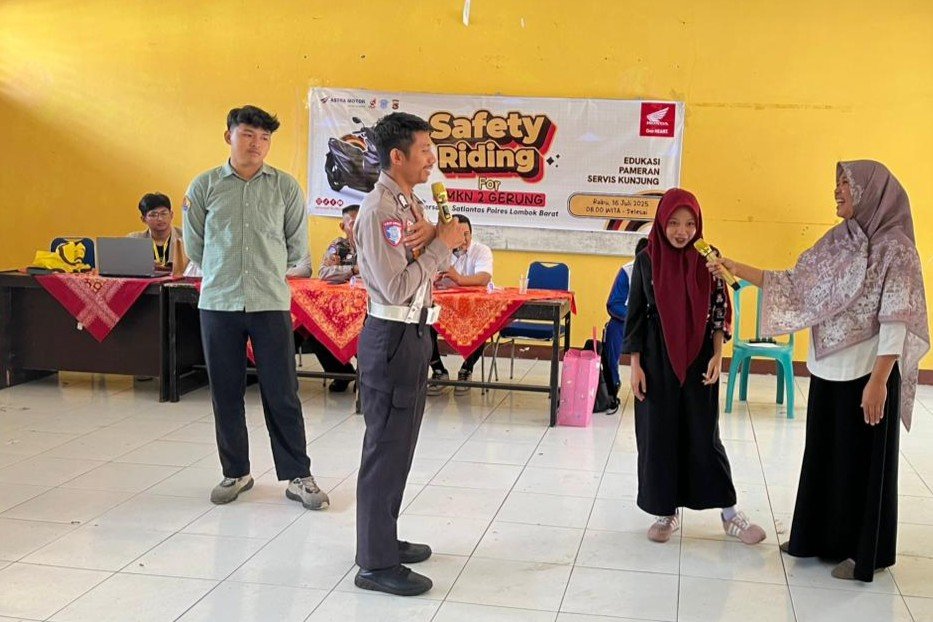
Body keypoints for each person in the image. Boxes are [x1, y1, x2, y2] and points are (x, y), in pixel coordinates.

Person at [708, 161, 929, 582]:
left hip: (869, 374)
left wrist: (880, 380)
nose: (838, 191)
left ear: (872, 190)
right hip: (828, 370)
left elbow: (897, 316)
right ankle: (816, 537)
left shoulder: (895, 247)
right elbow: (794, 283)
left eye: (846, 183)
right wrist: (735, 268)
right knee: (825, 458)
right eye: (836, 183)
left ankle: (864, 554)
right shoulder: (838, 240)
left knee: (861, 465)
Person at [183, 104, 329, 511]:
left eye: (264, 137)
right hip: (218, 303)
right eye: (247, 134)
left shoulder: (285, 187)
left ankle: (298, 474)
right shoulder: (204, 186)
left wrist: (261, 270)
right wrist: (226, 269)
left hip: (269, 303)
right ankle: (236, 471)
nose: (256, 144)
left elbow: (297, 247)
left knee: (283, 392)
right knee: (226, 392)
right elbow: (195, 246)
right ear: (228, 135)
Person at [353, 112, 465, 596]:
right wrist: (440, 248)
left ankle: (384, 539)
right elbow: (397, 287)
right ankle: (375, 564)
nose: (432, 159)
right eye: (424, 151)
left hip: (416, 336)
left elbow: (425, 262)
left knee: (401, 447)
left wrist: (447, 239)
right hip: (392, 336)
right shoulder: (380, 210)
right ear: (396, 156)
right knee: (385, 449)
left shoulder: (410, 203)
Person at [623, 188, 766, 546]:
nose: (682, 231)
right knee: (659, 434)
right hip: (657, 358)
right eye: (673, 222)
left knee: (704, 434)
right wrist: (636, 365)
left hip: (700, 355)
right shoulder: (647, 259)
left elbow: (719, 309)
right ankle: (664, 511)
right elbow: (636, 315)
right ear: (661, 222)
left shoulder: (708, 257)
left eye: (689, 223)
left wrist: (718, 355)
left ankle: (730, 513)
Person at [427, 213, 493, 396]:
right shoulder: (438, 250)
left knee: (483, 324)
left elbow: (484, 278)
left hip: (472, 308)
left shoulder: (482, 250)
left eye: (467, 234)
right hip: (441, 306)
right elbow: (423, 273)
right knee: (424, 323)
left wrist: (459, 279)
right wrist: (432, 278)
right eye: (459, 234)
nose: (463, 239)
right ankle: (439, 371)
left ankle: (466, 369)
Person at [604, 236, 648, 405]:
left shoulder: (665, 272)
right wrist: (634, 316)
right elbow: (613, 305)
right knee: (613, 331)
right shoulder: (627, 271)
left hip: (654, 324)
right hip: (627, 321)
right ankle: (611, 385)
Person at [128, 192, 185, 269]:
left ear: (171, 215)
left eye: (163, 213)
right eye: (153, 215)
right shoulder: (134, 240)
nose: (160, 219)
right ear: (143, 219)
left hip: (179, 280)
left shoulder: (185, 237)